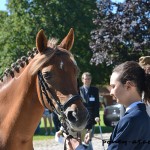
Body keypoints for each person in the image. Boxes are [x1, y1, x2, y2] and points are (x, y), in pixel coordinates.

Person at [65, 61, 150, 150]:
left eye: (113, 86)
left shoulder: (131, 120)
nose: (111, 92)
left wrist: (78, 147)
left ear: (128, 86)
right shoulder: (142, 116)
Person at [79, 72, 100, 148]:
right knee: (82, 138)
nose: (87, 80)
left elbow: (97, 104)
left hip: (91, 118)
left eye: (89, 79)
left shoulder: (95, 90)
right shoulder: (78, 90)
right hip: (81, 118)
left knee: (89, 138)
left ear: (91, 80)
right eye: (85, 79)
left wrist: (97, 116)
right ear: (82, 80)